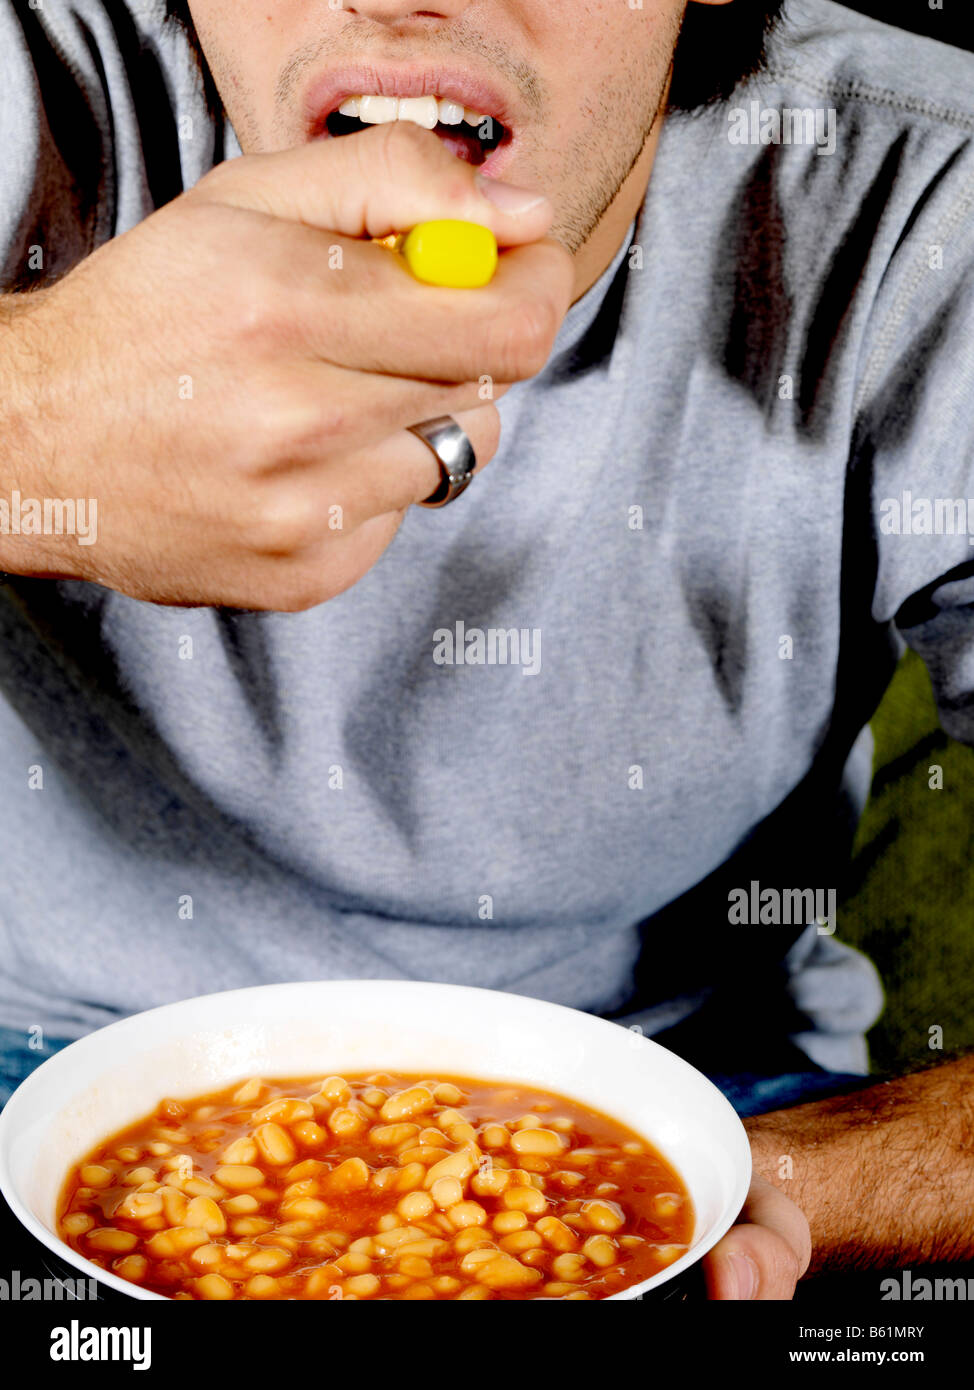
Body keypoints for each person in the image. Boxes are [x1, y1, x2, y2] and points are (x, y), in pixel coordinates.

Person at [0, 0, 971, 1298]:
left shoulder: (926, 197)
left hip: (718, 1097)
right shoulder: (28, 87)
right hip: (38, 1056)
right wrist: (31, 424)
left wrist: (681, 1188)